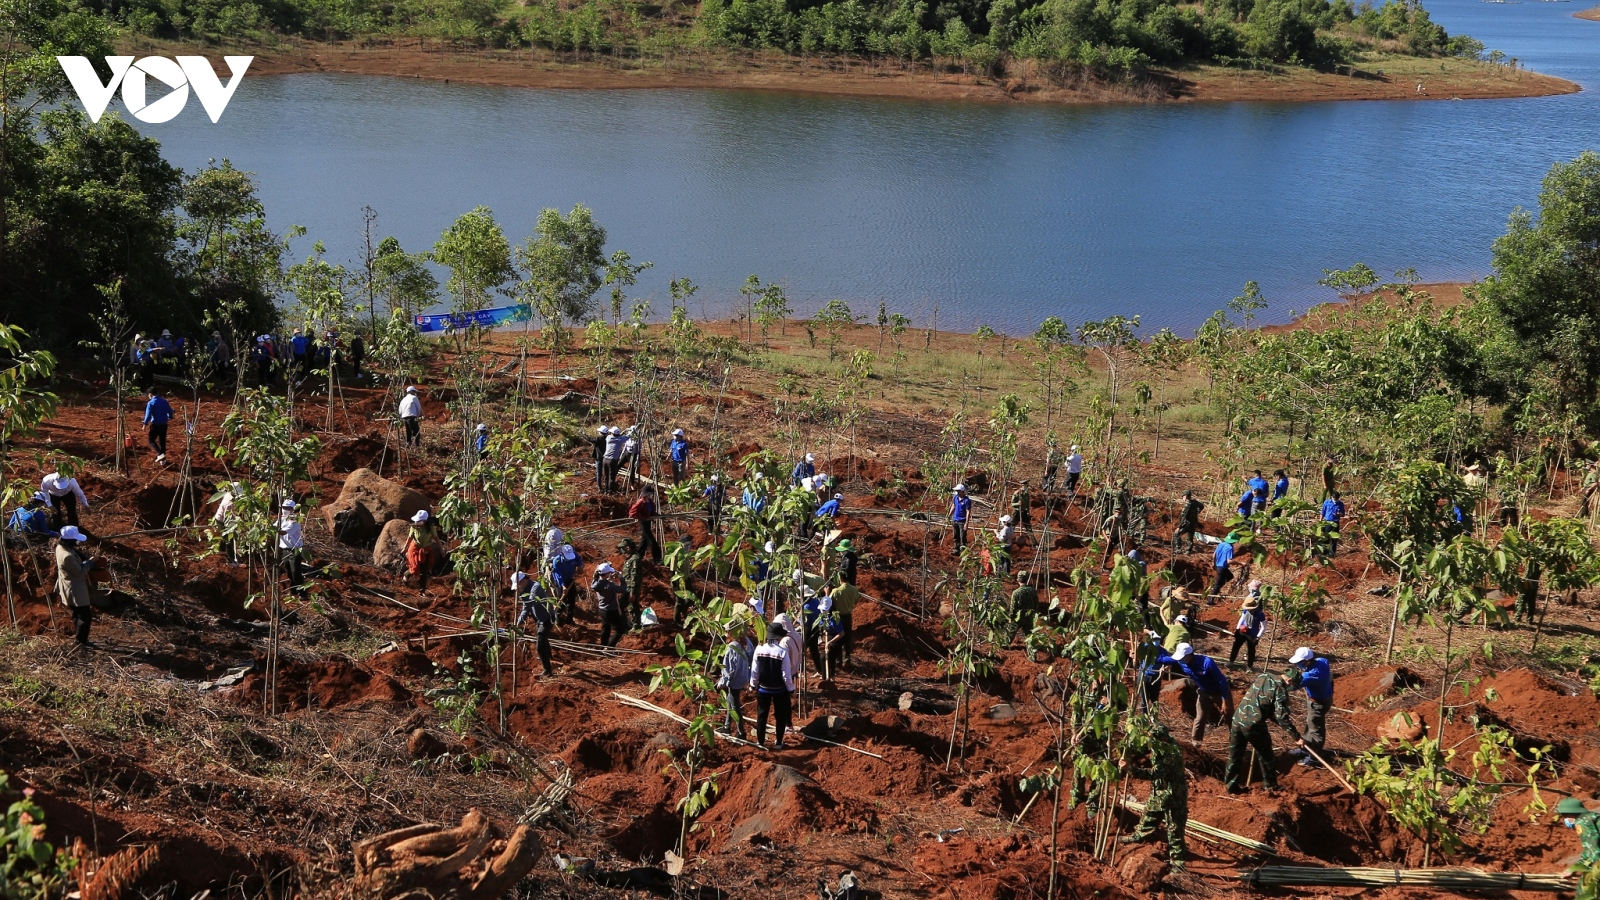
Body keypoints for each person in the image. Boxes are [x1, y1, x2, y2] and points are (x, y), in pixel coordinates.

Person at [1118, 724, 1188, 869]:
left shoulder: (1170, 754)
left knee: (1174, 828)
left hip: (1173, 795)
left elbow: (1153, 774)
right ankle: (1138, 836)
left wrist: (1129, 769)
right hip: (1161, 791)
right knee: (1150, 813)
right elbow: (1143, 747)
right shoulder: (1163, 743)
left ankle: (1178, 863)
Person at [1224, 669, 1304, 794]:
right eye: (1293, 685)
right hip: (1254, 725)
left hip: (1237, 719)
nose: (1291, 688)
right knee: (1266, 756)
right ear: (1289, 680)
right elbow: (1282, 717)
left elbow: (1265, 703)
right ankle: (1271, 787)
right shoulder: (1281, 691)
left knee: (1235, 755)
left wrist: (1274, 718)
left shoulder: (1264, 675)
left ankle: (1230, 787)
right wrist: (1297, 737)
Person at [1157, 642, 1234, 742]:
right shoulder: (1180, 661)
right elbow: (1161, 659)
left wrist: (1225, 701)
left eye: (1182, 657)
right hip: (1204, 692)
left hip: (1220, 692)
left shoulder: (1207, 663)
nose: (1180, 660)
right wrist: (1141, 655)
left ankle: (1234, 739)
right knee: (1200, 718)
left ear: (1189, 655)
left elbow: (1221, 680)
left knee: (1229, 716)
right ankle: (1196, 742)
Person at [750, 621, 796, 748]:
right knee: (780, 715)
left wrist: (753, 685)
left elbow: (755, 671)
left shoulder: (759, 650)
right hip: (779, 690)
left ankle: (760, 741)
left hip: (763, 689)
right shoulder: (782, 652)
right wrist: (791, 689)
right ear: (778, 637)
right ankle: (779, 742)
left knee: (762, 715)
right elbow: (786, 675)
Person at [1289, 646, 1333, 762]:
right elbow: (1326, 662)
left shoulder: (1311, 675)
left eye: (1299, 662)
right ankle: (1305, 748)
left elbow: (1292, 686)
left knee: (1316, 730)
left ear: (1307, 661)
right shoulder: (1321, 661)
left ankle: (1314, 757)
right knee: (1310, 724)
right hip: (1325, 698)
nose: (1298, 665)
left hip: (1317, 704)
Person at [56, 526, 94, 646]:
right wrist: (90, 562)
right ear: (70, 540)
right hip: (75, 588)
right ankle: (81, 641)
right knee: (84, 615)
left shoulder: (60, 547)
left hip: (68, 584)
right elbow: (80, 572)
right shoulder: (67, 556)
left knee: (77, 612)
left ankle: (80, 639)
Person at [513, 572, 555, 676]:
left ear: (523, 581)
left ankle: (548, 670)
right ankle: (549, 657)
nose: (518, 587)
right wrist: (518, 622)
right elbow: (525, 609)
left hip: (547, 618)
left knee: (540, 643)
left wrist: (518, 600)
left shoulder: (536, 587)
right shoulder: (523, 590)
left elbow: (530, 603)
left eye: (518, 584)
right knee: (543, 639)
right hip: (539, 618)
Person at [719, 623, 753, 739]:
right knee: (730, 701)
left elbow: (729, 668)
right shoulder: (746, 642)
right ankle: (727, 726)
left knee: (734, 706)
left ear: (730, 632)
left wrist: (722, 682)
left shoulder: (732, 646)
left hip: (734, 680)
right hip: (742, 677)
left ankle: (741, 732)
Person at [591, 562, 630, 647]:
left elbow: (601, 580)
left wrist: (609, 578)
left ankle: (603, 645)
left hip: (602, 609)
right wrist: (621, 578)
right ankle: (609, 648)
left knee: (606, 627)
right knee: (620, 630)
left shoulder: (595, 583)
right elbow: (623, 589)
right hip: (611, 610)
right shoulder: (610, 586)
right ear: (607, 573)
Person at [1558, 797, 1600, 873]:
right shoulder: (1592, 817)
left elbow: (1593, 851)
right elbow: (1589, 849)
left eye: (1564, 816)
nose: (1564, 819)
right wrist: (1577, 867)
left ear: (1571, 814)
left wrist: (1577, 868)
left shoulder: (1583, 821)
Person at [1229, 587, 1265, 670]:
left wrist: (1257, 637)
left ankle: (1249, 666)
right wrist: (1237, 629)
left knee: (1251, 650)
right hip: (1243, 631)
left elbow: (1263, 626)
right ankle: (1231, 661)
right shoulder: (1246, 610)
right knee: (1236, 646)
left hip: (1252, 634)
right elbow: (1242, 618)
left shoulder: (1259, 614)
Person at [406, 510, 441, 594]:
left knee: (424, 571)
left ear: (424, 521)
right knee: (414, 568)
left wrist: (441, 549)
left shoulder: (431, 528)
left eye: (419, 521)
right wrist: (405, 548)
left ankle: (422, 591)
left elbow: (436, 538)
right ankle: (406, 575)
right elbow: (410, 538)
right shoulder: (414, 527)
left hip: (425, 550)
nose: (416, 522)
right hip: (414, 549)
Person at [830, 577, 860, 666]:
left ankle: (838, 661)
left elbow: (830, 602)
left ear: (840, 579)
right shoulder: (854, 589)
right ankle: (847, 659)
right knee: (847, 638)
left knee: (838, 638)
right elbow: (856, 601)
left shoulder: (836, 591)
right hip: (848, 616)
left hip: (838, 617)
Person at [629, 489, 662, 564]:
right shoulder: (641, 502)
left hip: (648, 521)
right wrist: (641, 517)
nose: (652, 495)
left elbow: (652, 512)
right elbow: (632, 513)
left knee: (644, 540)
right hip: (643, 522)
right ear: (647, 494)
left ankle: (639, 556)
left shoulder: (650, 502)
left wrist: (658, 516)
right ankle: (657, 558)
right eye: (651, 494)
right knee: (652, 541)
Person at [550, 544, 582, 622]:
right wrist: (563, 586)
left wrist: (580, 566)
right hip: (560, 582)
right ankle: (557, 618)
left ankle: (569, 619)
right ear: (562, 554)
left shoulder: (573, 555)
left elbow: (578, 558)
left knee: (571, 600)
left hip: (570, 579)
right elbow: (558, 575)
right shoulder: (557, 561)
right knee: (562, 600)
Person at [278, 499, 305, 592]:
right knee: (289, 571)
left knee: (295, 572)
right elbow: (274, 526)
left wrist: (270, 530)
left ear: (292, 509)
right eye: (284, 507)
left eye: (287, 508)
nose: (285, 509)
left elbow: (283, 532)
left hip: (294, 549)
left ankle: (302, 593)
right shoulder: (281, 518)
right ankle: (293, 590)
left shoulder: (295, 520)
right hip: (285, 549)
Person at [1011, 571, 1040, 639]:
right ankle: (1030, 648)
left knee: (1007, 638)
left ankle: (1005, 645)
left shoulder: (1016, 593)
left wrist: (1011, 617)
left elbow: (1013, 607)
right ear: (1027, 579)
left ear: (1018, 580)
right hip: (1029, 617)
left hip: (1018, 617)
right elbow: (1036, 605)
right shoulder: (1033, 591)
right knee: (1030, 638)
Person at [1320, 491, 1345, 556]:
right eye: (1334, 498)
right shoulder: (1327, 502)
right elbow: (1323, 512)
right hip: (1327, 522)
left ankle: (1332, 553)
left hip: (1335, 523)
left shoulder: (1340, 504)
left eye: (1336, 498)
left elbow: (1343, 514)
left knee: (1334, 539)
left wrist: (1339, 514)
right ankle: (1324, 552)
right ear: (1332, 497)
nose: (1335, 499)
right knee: (1326, 538)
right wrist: (1320, 521)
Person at [604, 427, 626, 492]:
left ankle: (606, 488)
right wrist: (628, 430)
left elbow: (617, 436)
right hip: (612, 461)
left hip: (605, 459)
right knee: (612, 476)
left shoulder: (608, 438)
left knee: (606, 476)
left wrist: (621, 433)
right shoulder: (620, 440)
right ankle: (610, 490)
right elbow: (628, 436)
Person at [621, 427, 642, 493]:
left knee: (632, 470)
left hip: (633, 455)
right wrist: (622, 454)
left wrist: (637, 459)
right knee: (618, 465)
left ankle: (631, 484)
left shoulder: (638, 440)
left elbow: (639, 451)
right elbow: (625, 446)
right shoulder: (628, 437)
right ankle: (612, 480)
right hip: (626, 453)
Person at [950, 484, 971, 550]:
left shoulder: (966, 500)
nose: (957, 492)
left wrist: (966, 523)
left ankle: (963, 551)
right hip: (955, 520)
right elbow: (953, 506)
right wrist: (949, 515)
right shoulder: (955, 497)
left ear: (962, 491)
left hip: (962, 521)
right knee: (956, 536)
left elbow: (968, 512)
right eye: (956, 491)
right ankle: (956, 549)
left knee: (962, 537)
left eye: (958, 491)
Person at [589, 426, 608, 491]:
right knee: (606, 473)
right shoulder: (608, 438)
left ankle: (600, 487)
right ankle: (607, 486)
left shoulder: (599, 439)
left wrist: (583, 434)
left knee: (599, 473)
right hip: (606, 458)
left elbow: (590, 439)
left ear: (601, 432)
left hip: (599, 458)